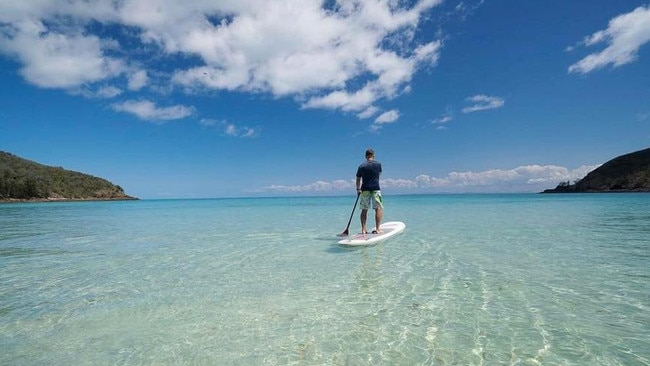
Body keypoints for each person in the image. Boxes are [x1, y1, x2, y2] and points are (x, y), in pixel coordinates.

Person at [356, 148, 383, 235]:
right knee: (377, 208)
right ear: (373, 155)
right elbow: (379, 174)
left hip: (365, 189)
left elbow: (358, 179)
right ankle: (378, 229)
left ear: (366, 156)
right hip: (376, 188)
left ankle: (363, 230)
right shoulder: (378, 164)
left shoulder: (361, 166)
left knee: (364, 209)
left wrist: (358, 189)